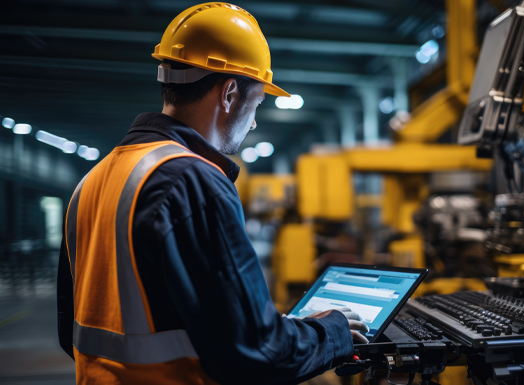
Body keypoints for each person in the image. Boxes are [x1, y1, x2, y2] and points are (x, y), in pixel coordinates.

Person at [56, 3, 367, 384]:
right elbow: (258, 353)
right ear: (230, 93)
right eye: (257, 104)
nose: (253, 122)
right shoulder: (193, 181)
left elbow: (70, 331)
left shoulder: (93, 180)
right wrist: (333, 331)